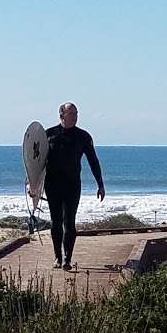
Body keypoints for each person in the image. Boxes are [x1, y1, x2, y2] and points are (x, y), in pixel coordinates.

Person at [37, 102, 105, 270]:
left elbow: (93, 161)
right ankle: (57, 257)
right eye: (72, 113)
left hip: (72, 184)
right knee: (56, 222)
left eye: (76, 113)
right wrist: (33, 185)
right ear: (62, 115)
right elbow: (37, 163)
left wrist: (100, 184)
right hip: (52, 184)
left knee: (70, 222)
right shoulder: (48, 135)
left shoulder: (83, 136)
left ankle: (67, 258)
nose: (75, 116)